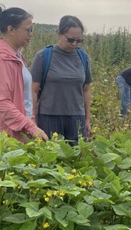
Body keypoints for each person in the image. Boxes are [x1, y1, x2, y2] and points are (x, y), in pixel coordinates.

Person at [0, 4, 48, 141]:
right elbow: (2, 103)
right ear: (11, 29)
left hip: (19, 131)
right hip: (5, 136)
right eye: (28, 30)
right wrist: (30, 126)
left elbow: (25, 98)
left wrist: (31, 123)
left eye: (32, 29)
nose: (31, 34)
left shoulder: (16, 56)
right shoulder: (2, 60)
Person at [31, 15, 92, 143]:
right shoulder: (43, 56)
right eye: (70, 40)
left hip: (76, 118)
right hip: (49, 117)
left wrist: (87, 120)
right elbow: (34, 90)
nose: (74, 44)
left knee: (77, 159)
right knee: (51, 158)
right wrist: (32, 120)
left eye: (78, 40)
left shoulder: (83, 57)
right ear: (59, 34)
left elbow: (86, 90)